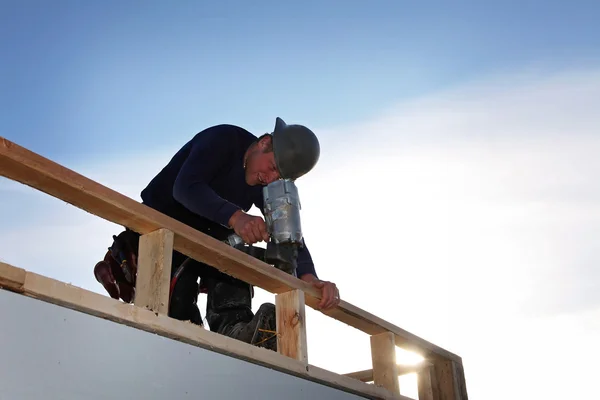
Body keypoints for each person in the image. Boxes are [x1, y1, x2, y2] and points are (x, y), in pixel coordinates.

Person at [93, 117, 340, 351]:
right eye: (273, 167)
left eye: (280, 177)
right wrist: (237, 217)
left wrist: (308, 276)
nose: (271, 179)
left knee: (237, 254)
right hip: (161, 226)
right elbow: (186, 187)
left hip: (205, 241)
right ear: (264, 143)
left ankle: (234, 327)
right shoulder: (223, 140)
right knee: (179, 317)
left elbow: (287, 232)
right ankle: (124, 263)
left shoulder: (264, 182)